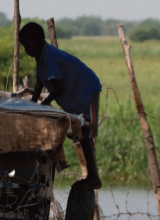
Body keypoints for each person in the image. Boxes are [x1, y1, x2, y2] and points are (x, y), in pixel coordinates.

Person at [18, 22, 103, 190]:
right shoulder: (41, 56)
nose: (26, 50)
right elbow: (40, 81)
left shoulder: (48, 55)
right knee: (81, 133)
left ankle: (93, 178)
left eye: (28, 45)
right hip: (79, 93)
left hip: (87, 90)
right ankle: (91, 176)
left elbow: (59, 87)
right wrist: (34, 103)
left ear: (39, 41)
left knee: (85, 133)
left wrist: (43, 104)